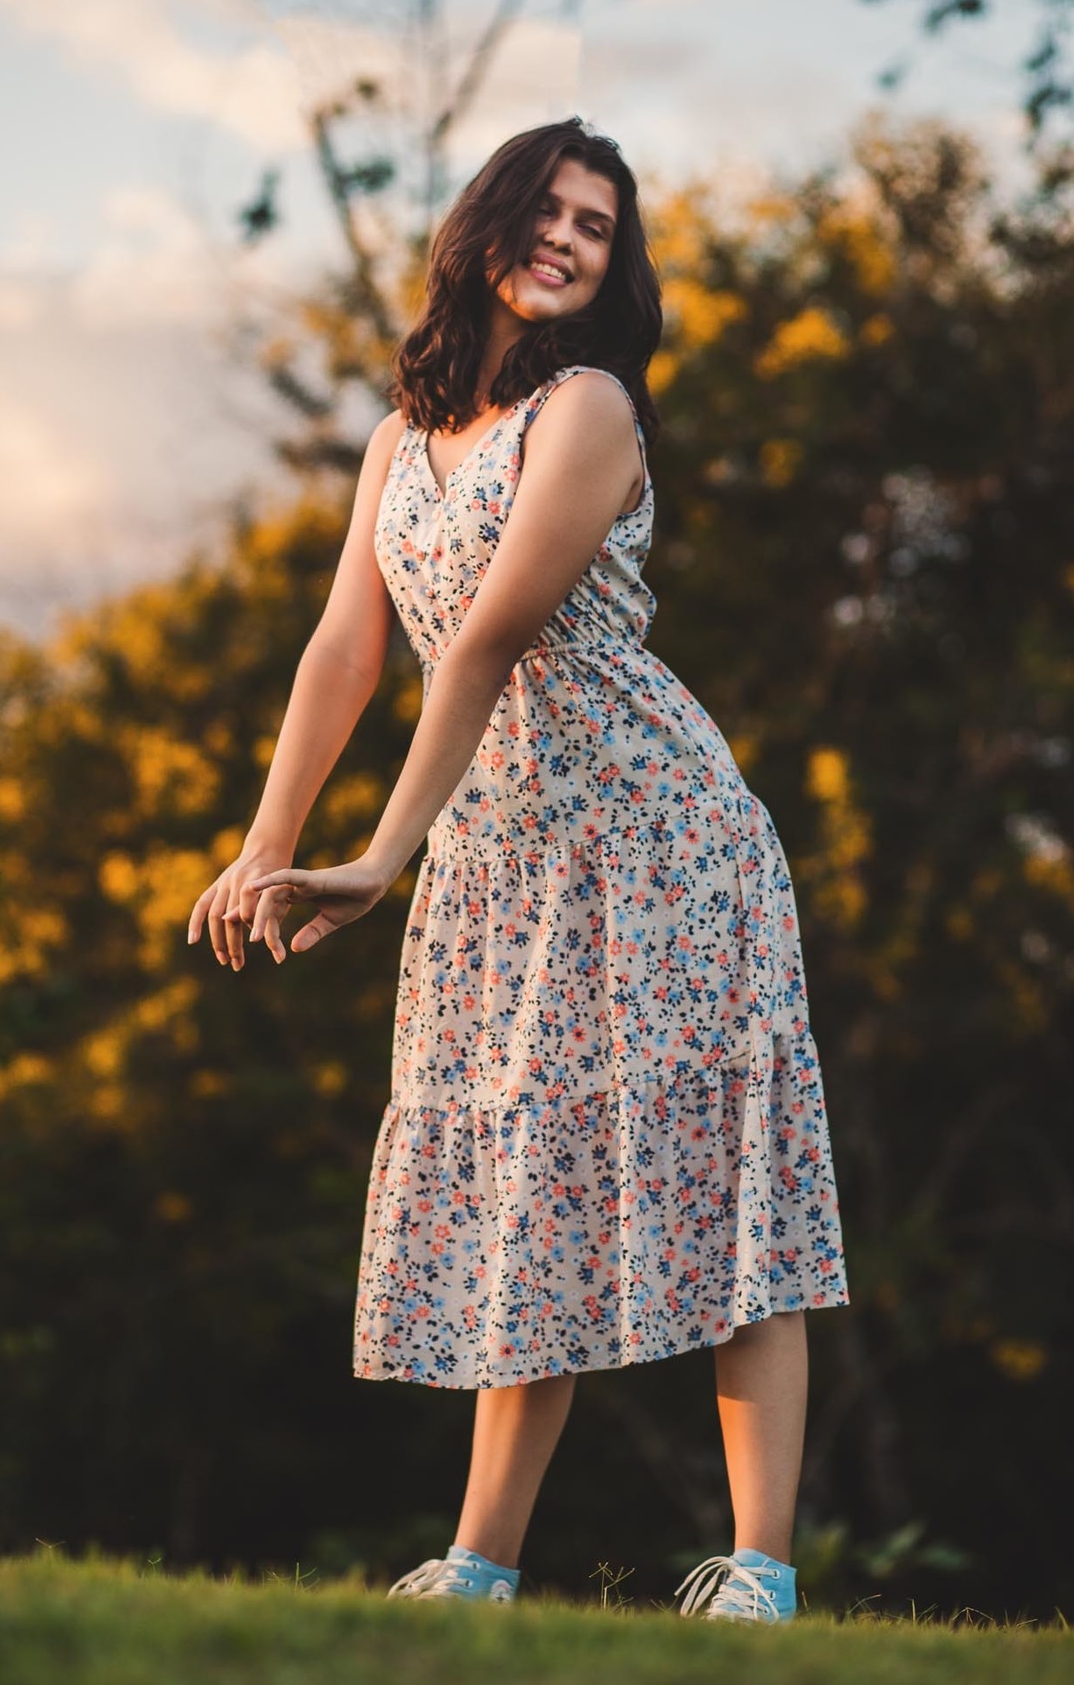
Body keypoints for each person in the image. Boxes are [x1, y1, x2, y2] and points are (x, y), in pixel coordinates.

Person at [188, 115, 849, 1622]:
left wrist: (377, 856)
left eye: (596, 225)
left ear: (612, 267)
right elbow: (349, 646)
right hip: (501, 863)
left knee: (726, 1190)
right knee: (520, 1188)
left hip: (658, 844)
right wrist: (270, 844)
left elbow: (486, 635)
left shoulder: (591, 409)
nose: (565, 237)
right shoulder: (398, 443)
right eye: (546, 210)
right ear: (486, 225)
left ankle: (761, 1576)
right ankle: (480, 1566)